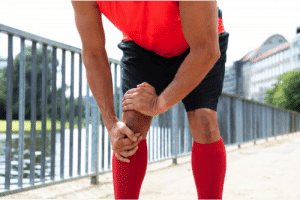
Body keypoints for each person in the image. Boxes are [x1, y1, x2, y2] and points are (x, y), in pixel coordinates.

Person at [71, 1, 229, 199]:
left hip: (199, 41)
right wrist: (111, 124)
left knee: (203, 120)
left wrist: (159, 103)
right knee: (129, 128)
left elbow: (207, 50)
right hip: (142, 43)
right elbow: (93, 54)